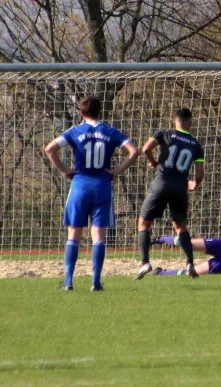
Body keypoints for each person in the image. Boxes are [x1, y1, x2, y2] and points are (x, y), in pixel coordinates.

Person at [44, 96, 139, 291]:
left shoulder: (75, 131)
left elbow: (49, 149)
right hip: (102, 185)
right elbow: (134, 151)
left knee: (74, 234)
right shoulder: (110, 132)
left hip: (79, 185)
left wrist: (65, 170)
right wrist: (116, 171)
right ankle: (95, 282)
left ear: (81, 113)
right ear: (100, 111)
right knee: (98, 236)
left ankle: (68, 281)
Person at [134, 108, 205, 280]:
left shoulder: (164, 133)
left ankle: (145, 263)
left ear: (174, 121)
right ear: (191, 123)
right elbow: (200, 174)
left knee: (144, 223)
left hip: (161, 183)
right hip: (180, 187)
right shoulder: (196, 145)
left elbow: (145, 149)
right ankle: (189, 263)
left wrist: (153, 162)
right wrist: (194, 183)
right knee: (180, 227)